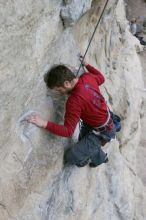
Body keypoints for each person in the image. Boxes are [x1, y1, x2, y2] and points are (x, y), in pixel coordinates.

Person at [27, 57, 117, 168]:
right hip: (103, 121)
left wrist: (44, 123)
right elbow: (101, 78)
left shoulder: (74, 101)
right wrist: (87, 65)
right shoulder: (87, 77)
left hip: (103, 132)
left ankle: (92, 159)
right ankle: (99, 155)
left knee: (71, 156)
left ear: (66, 84)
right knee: (82, 141)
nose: (60, 93)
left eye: (59, 90)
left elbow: (68, 131)